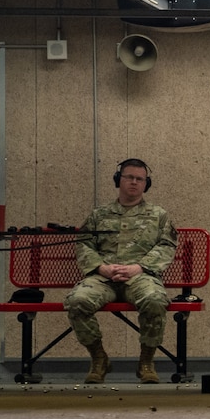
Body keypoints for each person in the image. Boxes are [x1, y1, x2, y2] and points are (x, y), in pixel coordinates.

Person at [65, 158, 177, 384]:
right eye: (129, 177)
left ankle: (146, 361)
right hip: (103, 277)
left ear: (146, 184)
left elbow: (167, 246)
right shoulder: (99, 215)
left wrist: (139, 267)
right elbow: (83, 243)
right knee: (77, 301)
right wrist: (101, 268)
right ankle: (99, 358)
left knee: (155, 300)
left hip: (140, 276)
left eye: (139, 179)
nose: (134, 183)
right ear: (118, 180)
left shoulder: (159, 215)